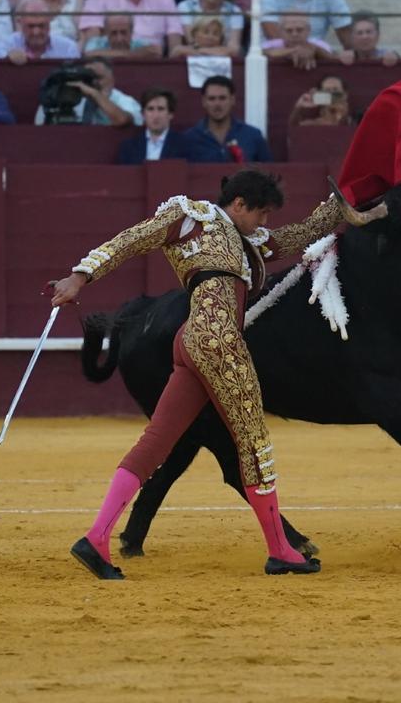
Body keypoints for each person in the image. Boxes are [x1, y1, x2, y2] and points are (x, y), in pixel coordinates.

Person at [51, 168, 340, 580]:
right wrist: (81, 276)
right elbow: (132, 239)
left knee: (156, 442)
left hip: (192, 340)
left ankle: (96, 538)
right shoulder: (191, 216)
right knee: (254, 443)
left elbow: (299, 235)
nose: (264, 223)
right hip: (218, 339)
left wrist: (344, 200)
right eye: (260, 213)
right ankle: (280, 550)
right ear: (239, 204)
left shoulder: (248, 242)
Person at [185, 75, 271, 162]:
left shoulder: (253, 136)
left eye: (222, 98)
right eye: (211, 99)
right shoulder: (189, 139)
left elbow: (267, 172)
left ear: (232, 100)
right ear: (204, 102)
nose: (217, 104)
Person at [34, 57, 141, 125]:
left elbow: (123, 121)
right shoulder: (68, 97)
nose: (93, 83)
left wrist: (95, 94)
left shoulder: (125, 101)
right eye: (88, 79)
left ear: (112, 80)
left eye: (98, 78)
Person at [116, 87, 191, 162]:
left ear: (170, 114)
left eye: (161, 109)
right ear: (143, 114)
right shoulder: (128, 147)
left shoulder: (185, 145)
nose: (156, 115)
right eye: (150, 109)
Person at [0, 0, 82, 62]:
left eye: (41, 26)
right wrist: (7, 58)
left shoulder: (68, 48)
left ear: (49, 23)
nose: (36, 32)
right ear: (20, 23)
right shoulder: (8, 45)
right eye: (31, 26)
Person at [262, 13, 337, 70]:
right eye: (289, 31)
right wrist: (293, 51)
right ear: (281, 32)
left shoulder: (318, 43)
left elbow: (333, 59)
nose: (294, 34)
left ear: (308, 30)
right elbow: (261, 53)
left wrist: (315, 49)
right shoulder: (271, 44)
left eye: (299, 30)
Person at [288, 73, 354, 127]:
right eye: (327, 90)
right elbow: (294, 131)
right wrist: (299, 107)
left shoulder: (355, 121)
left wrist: (343, 115)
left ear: (345, 94)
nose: (331, 94)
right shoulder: (313, 124)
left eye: (335, 89)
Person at [81, 12, 157, 57]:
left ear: (131, 31)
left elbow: (156, 50)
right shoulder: (96, 43)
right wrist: (133, 53)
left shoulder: (140, 43)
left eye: (123, 32)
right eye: (114, 33)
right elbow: (89, 55)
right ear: (106, 33)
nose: (119, 39)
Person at [171, 14, 238, 56]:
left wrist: (202, 51)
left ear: (221, 38)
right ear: (195, 34)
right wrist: (200, 52)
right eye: (206, 32)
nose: (210, 37)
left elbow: (233, 52)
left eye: (215, 34)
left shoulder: (225, 50)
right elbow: (176, 51)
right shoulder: (184, 49)